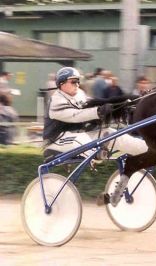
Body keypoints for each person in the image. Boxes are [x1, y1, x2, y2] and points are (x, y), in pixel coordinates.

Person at [43, 67, 148, 207]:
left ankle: (146, 149)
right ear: (61, 83)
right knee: (86, 142)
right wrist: (99, 112)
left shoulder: (79, 94)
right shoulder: (56, 101)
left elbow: (98, 102)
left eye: (78, 81)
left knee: (111, 134)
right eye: (73, 81)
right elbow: (77, 116)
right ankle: (97, 152)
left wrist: (124, 103)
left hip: (79, 135)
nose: (77, 84)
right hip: (57, 141)